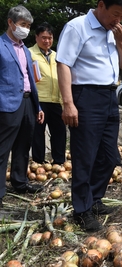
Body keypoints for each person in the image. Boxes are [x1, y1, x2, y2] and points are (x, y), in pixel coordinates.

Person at [56, 0, 122, 231]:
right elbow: (63, 64)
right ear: (101, 5)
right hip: (86, 95)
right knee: (84, 155)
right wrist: (68, 103)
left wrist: (120, 41)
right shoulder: (77, 27)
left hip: (109, 95)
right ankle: (82, 210)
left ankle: (95, 198)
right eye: (114, 14)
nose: (117, 20)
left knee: (109, 156)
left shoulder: (113, 32)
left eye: (121, 16)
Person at [0, 5, 45, 200]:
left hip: (27, 101)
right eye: (22, 24)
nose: (25, 29)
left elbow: (30, 79)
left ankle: (19, 182)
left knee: (23, 145)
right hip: (7, 104)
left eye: (28, 25)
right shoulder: (0, 46)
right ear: (10, 23)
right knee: (3, 149)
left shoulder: (26, 50)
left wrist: (38, 106)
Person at [29, 22, 66, 165]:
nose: (47, 41)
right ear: (36, 37)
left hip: (56, 100)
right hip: (39, 100)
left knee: (59, 133)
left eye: (50, 38)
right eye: (43, 37)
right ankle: (38, 162)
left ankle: (59, 161)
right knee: (38, 133)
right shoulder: (29, 53)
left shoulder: (57, 56)